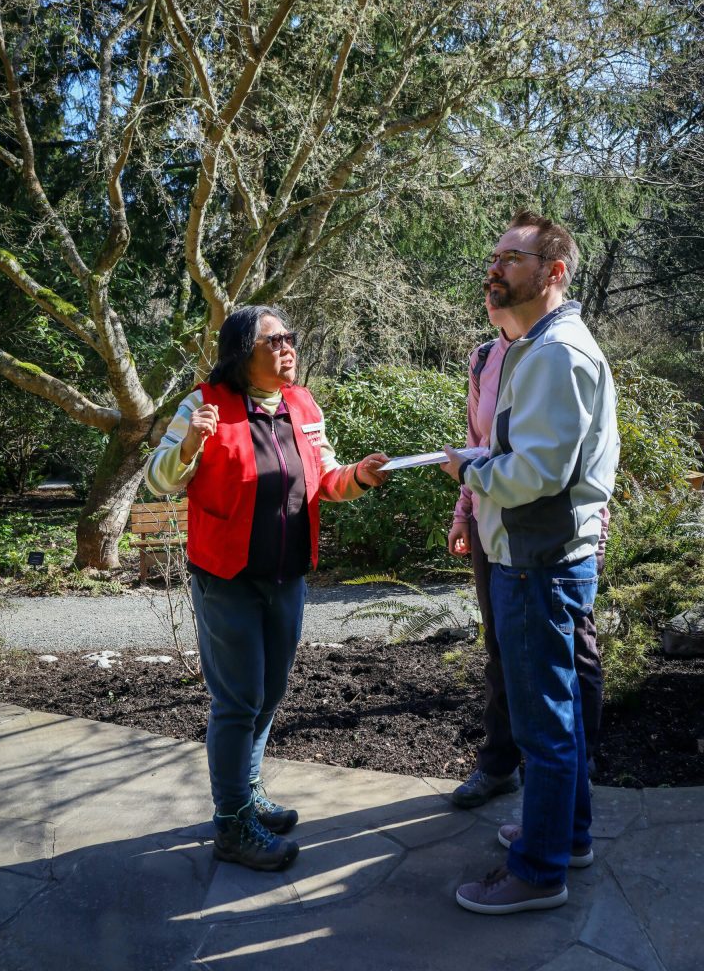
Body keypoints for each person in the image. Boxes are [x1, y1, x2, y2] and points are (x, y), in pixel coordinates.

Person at [144, 305, 389, 873]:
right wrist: (188, 446)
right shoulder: (204, 404)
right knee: (237, 700)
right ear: (241, 354)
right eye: (274, 340)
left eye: (290, 337)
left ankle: (247, 793)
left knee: (272, 689)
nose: (288, 347)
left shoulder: (301, 405)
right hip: (226, 578)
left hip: (287, 575)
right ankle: (231, 825)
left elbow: (325, 477)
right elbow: (160, 480)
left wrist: (360, 476)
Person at [441, 211, 618, 915]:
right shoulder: (534, 346)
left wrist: (470, 472)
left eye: (513, 257)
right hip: (540, 555)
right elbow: (536, 457)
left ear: (555, 271)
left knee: (542, 723)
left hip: (537, 561)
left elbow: (537, 472)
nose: (497, 267)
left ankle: (539, 871)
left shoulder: (553, 354)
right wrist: (484, 467)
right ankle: (567, 836)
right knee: (558, 715)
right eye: (496, 255)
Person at [448, 297, 608, 811]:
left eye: (510, 264)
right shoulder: (483, 360)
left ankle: (571, 781)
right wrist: (463, 513)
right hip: (495, 526)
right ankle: (501, 765)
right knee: (503, 647)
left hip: (549, 541)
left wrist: (593, 532)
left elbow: (560, 463)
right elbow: (478, 446)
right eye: (492, 270)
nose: (494, 287)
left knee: (572, 657)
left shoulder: (557, 354)